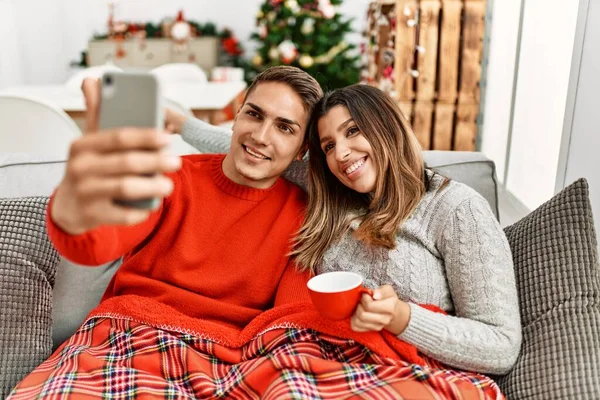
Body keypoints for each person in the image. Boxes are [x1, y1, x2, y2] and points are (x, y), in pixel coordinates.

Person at [8, 66, 322, 398]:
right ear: (236, 116)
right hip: (126, 339)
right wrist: (74, 208)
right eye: (254, 115)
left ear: (302, 149)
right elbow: (98, 243)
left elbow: (293, 324)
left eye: (284, 128)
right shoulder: (170, 177)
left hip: (228, 362)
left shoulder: (306, 215)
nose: (260, 136)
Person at [173, 85, 522, 378]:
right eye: (327, 146)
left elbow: (501, 345)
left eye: (353, 131)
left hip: (406, 373)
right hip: (313, 362)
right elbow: (255, 148)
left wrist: (403, 318)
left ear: (387, 126)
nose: (340, 154)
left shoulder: (456, 208)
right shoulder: (332, 191)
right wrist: (180, 123)